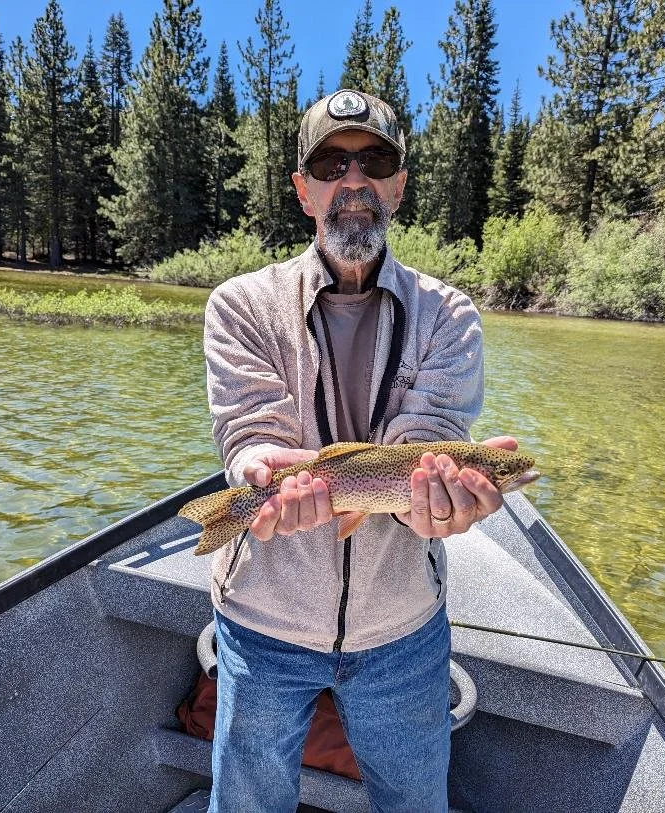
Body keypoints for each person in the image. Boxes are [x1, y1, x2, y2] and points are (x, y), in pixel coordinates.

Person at [201, 88, 519, 812]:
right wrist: (257, 472)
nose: (354, 181)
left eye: (374, 161)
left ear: (399, 186)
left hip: (401, 629)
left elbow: (424, 446)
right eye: (331, 163)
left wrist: (433, 510)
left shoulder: (450, 315)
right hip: (261, 619)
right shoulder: (240, 304)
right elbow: (251, 431)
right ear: (304, 191)